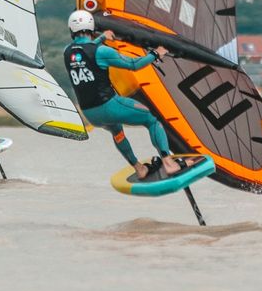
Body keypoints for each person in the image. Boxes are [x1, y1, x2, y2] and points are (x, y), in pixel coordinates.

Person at [63, 10, 189, 180]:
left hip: (90, 114)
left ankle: (139, 168)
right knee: (151, 119)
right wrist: (155, 54)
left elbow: (86, 52)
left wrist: (102, 38)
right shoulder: (102, 52)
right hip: (109, 106)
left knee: (117, 132)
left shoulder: (67, 52)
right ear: (91, 27)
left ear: (72, 30)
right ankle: (169, 163)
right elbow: (133, 64)